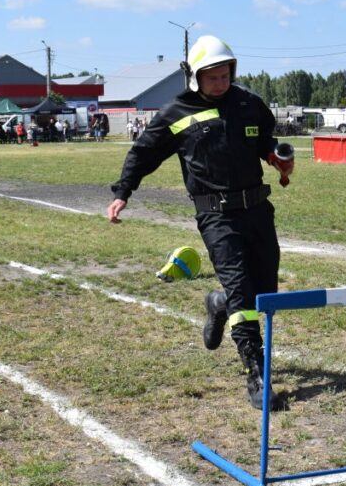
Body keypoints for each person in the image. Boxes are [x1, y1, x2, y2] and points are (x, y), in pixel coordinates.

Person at [106, 35, 293, 411]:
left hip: (257, 209)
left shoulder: (248, 104)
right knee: (244, 291)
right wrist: (123, 191)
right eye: (213, 77)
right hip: (216, 216)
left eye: (225, 76)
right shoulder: (176, 113)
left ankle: (219, 303)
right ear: (195, 76)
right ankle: (256, 374)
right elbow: (143, 153)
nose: (220, 83)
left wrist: (276, 158)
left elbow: (264, 142)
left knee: (262, 294)